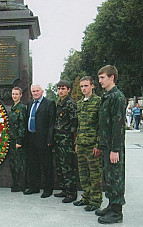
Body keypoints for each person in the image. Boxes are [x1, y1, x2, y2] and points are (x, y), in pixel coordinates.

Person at [96, 65, 126, 224]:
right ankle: (111, 205)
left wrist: (115, 149)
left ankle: (117, 212)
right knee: (108, 177)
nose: (100, 80)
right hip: (107, 145)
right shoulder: (107, 96)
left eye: (102, 77)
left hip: (114, 146)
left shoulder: (117, 97)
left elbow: (118, 125)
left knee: (115, 178)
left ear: (111, 77)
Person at [73, 76, 102, 212]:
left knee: (95, 174)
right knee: (83, 174)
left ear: (92, 86)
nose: (84, 89)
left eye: (86, 86)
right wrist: (77, 142)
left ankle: (95, 200)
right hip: (82, 144)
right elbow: (79, 125)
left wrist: (98, 144)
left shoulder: (98, 102)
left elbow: (100, 125)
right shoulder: (80, 103)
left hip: (92, 145)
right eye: (82, 86)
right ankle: (86, 197)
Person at [24, 85, 56, 198]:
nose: (35, 93)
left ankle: (48, 189)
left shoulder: (49, 103)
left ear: (42, 92)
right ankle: (34, 187)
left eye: (37, 91)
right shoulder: (29, 104)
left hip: (43, 139)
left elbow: (52, 123)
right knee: (33, 165)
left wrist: (50, 139)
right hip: (31, 138)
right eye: (33, 91)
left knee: (46, 165)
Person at [53, 80, 78, 203]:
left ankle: (71, 193)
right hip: (58, 140)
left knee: (68, 167)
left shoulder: (70, 104)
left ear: (68, 90)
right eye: (59, 88)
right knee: (60, 167)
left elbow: (74, 124)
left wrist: (74, 141)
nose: (60, 91)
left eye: (63, 88)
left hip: (67, 141)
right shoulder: (59, 103)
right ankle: (64, 189)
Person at [8, 87, 27, 193]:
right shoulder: (13, 107)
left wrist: (20, 141)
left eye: (16, 94)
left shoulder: (21, 108)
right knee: (13, 163)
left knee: (19, 164)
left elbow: (22, 125)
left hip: (17, 141)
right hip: (11, 139)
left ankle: (21, 185)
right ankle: (15, 183)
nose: (14, 96)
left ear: (21, 95)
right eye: (13, 94)